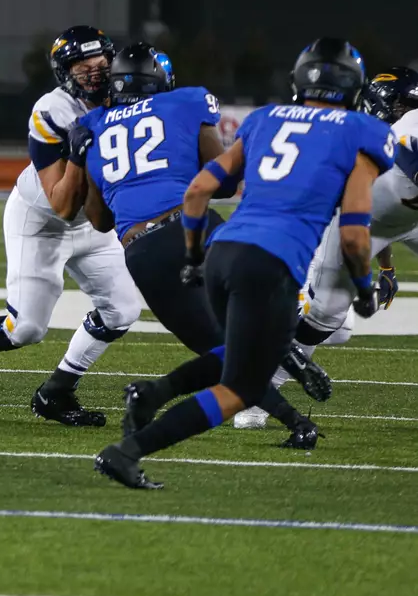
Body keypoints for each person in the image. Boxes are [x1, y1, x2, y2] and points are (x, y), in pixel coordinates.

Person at [95, 38, 394, 489]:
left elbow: (198, 190)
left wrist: (195, 257)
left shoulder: (265, 119)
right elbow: (354, 233)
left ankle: (154, 394)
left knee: (240, 359)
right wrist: (367, 287)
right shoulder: (363, 132)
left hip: (224, 249)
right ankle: (127, 451)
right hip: (270, 263)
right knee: (239, 389)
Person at [72, 43, 318, 450]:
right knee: (245, 325)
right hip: (202, 228)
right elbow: (222, 182)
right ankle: (287, 381)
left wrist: (81, 158)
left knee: (220, 348)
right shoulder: (187, 101)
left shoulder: (94, 123)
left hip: (145, 248)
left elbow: (99, 220)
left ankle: (294, 421)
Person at [0, 26, 144, 426]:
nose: (94, 70)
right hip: (42, 220)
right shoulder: (51, 111)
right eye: (81, 63)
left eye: (100, 60)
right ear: (64, 71)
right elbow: (60, 203)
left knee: (123, 310)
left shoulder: (128, 98)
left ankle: (57, 392)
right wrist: (80, 152)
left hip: (92, 221)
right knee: (26, 328)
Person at [232, 66, 418, 428]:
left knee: (334, 320)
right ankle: (258, 389)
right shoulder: (366, 133)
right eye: (404, 106)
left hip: (404, 220)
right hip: (343, 224)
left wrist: (388, 268)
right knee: (329, 318)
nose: (408, 112)